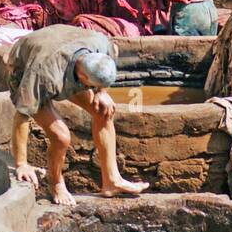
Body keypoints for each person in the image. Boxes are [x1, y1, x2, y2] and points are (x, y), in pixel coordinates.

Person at [9, 24, 148, 206]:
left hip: (63, 46)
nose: (89, 90)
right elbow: (22, 116)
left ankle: (111, 182)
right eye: (90, 86)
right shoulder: (43, 74)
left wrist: (100, 92)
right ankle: (56, 183)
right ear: (81, 78)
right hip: (25, 67)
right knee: (61, 137)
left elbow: (106, 64)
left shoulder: (102, 47)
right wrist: (22, 164)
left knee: (103, 111)